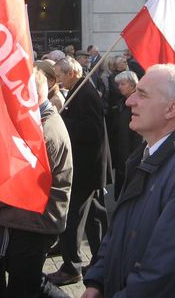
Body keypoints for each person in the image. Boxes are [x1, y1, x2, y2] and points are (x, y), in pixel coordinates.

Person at [82, 64, 175, 298]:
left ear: (171, 109)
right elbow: (117, 232)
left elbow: (166, 273)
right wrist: (97, 281)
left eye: (142, 94)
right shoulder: (144, 156)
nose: (130, 101)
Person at [0, 68, 73, 297]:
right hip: (30, 217)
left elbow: (21, 181)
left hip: (36, 220)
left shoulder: (43, 130)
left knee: (26, 284)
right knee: (23, 277)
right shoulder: (39, 122)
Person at [48, 56, 107, 286]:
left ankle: (72, 266)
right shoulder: (80, 90)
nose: (59, 80)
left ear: (72, 73)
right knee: (93, 218)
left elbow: (92, 130)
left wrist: (61, 123)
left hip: (86, 168)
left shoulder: (86, 92)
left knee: (72, 217)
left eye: (60, 75)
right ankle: (101, 260)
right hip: (88, 167)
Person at [109, 70, 143, 199]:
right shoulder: (122, 101)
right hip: (121, 151)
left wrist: (134, 154)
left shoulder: (137, 104)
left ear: (133, 84)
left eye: (123, 84)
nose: (119, 87)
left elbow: (138, 134)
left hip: (130, 153)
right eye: (119, 84)